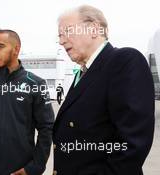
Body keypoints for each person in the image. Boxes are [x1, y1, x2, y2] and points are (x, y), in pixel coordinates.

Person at [53, 5, 155, 175]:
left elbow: (132, 145)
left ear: (94, 29)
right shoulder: (84, 73)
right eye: (60, 35)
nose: (62, 41)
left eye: (67, 31)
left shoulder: (123, 61)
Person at [0, 29, 55, 175]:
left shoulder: (36, 83)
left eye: (0, 47)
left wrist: (34, 167)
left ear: (16, 49)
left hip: (20, 169)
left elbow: (46, 128)